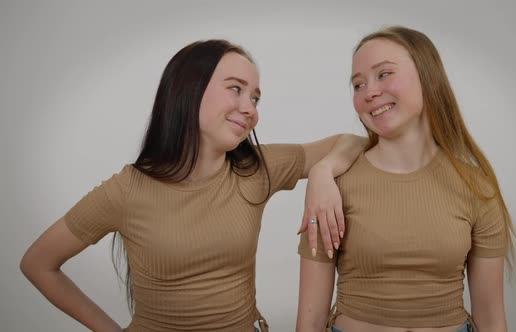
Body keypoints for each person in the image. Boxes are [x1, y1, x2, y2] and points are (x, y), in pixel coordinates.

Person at [20, 39, 365, 332]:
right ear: (189, 89)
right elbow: (38, 263)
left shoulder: (256, 169)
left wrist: (322, 174)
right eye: (236, 89)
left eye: (255, 98)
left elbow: (352, 141)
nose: (250, 109)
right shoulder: (127, 190)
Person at [297, 26, 516, 332]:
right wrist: (320, 173)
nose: (369, 91)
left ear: (429, 78)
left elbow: (492, 318)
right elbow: (309, 322)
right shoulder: (333, 187)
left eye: (384, 74)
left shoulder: (476, 187)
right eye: (358, 84)